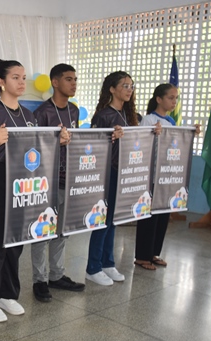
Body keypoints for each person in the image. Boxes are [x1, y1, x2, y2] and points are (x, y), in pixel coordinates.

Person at [0, 59, 41, 322]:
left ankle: (7, 293)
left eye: (23, 77)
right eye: (15, 77)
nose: (22, 82)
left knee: (15, 241)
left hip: (23, 182)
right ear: (1, 82)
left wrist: (59, 140)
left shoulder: (29, 116)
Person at [30, 64, 86, 302]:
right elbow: (34, 148)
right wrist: (56, 142)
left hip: (68, 179)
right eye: (68, 79)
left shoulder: (73, 110)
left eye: (75, 79)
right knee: (43, 232)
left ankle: (56, 275)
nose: (73, 84)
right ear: (54, 82)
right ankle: (39, 280)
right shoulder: (42, 112)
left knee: (62, 232)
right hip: (48, 181)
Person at [134, 83, 199, 270]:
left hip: (166, 175)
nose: (174, 101)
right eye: (171, 97)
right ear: (159, 99)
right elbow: (140, 143)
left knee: (162, 215)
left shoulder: (170, 122)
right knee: (148, 217)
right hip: (151, 176)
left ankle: (154, 253)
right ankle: (142, 256)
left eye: (176, 98)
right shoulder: (148, 120)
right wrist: (154, 134)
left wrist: (191, 133)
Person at [85, 71, 131, 286]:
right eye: (124, 86)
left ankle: (108, 263)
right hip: (107, 173)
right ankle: (93, 267)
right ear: (112, 89)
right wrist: (112, 138)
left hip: (123, 172)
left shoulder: (130, 115)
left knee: (113, 220)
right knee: (102, 220)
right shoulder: (104, 116)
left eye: (131, 86)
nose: (129, 90)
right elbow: (93, 146)